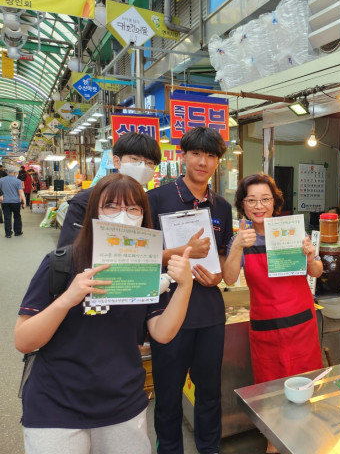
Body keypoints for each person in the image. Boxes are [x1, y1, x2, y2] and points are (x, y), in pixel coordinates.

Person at [14, 173, 194, 453]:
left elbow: (162, 332)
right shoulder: (61, 263)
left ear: (143, 216)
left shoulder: (145, 269)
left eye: (133, 208)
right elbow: (24, 340)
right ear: (94, 212)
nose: (123, 215)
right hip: (56, 404)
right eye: (111, 206)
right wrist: (67, 300)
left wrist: (185, 287)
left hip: (123, 404)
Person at [222, 173, 323, 454]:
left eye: (265, 199)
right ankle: (273, 442)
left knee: (305, 385)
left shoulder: (292, 231)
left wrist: (310, 256)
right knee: (270, 389)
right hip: (266, 329)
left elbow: (316, 271)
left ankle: (306, 439)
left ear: (274, 203)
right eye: (251, 200)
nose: (259, 206)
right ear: (242, 205)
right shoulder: (240, 239)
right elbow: (229, 278)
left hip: (301, 325)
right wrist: (237, 247)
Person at [147, 126, 233, 454]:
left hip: (209, 312)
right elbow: (141, 255)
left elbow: (222, 256)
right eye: (196, 153)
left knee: (209, 393)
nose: (203, 162)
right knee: (168, 395)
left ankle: (209, 449)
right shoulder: (156, 199)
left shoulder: (222, 206)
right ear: (182, 156)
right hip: (168, 311)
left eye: (211, 156)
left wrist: (218, 274)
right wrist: (182, 252)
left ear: (218, 161)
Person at [57, 132, 162, 247]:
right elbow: (69, 248)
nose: (142, 167)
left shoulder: (150, 199)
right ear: (116, 161)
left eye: (149, 162)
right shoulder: (85, 200)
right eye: (135, 159)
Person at [0, 165, 26, 238]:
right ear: (15, 172)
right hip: (15, 202)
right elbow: (20, 192)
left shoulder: (1, 180)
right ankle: (17, 232)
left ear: (7, 172)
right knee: (17, 216)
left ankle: (8, 234)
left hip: (5, 201)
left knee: (7, 217)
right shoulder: (18, 181)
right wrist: (24, 201)